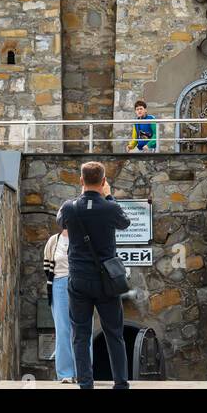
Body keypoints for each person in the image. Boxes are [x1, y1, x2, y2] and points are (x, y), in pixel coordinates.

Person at [57, 161, 131, 389]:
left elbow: (60, 221)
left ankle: (85, 384)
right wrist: (108, 197)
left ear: (81, 181)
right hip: (106, 280)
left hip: (79, 279)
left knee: (80, 333)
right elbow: (125, 222)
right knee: (114, 334)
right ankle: (120, 383)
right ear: (103, 182)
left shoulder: (70, 207)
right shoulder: (110, 208)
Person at [44, 228, 76, 383]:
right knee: (62, 329)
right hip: (58, 284)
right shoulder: (53, 240)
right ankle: (65, 374)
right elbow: (47, 266)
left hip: (80, 284)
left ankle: (82, 371)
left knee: (83, 329)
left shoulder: (84, 237)